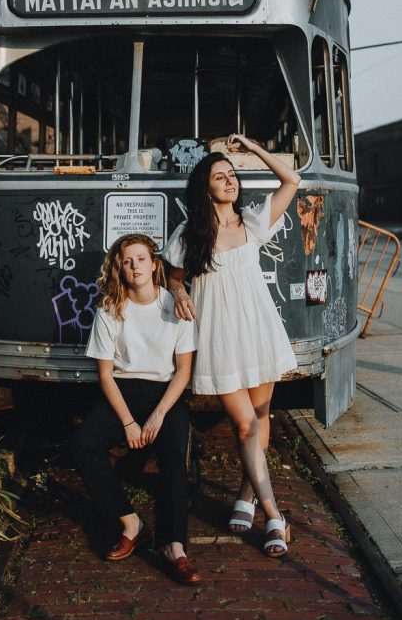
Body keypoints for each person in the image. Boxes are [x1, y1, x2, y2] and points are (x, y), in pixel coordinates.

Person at [162, 134, 301, 557]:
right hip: (220, 338)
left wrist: (255, 150)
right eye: (219, 177)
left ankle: (247, 494)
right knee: (245, 426)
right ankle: (275, 516)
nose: (229, 181)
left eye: (232, 175)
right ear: (205, 187)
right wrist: (179, 292)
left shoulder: (253, 221)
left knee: (260, 416)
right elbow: (173, 276)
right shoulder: (190, 234)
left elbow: (291, 181)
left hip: (258, 330)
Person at [69, 233, 201, 584]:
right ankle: (130, 522)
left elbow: (184, 371)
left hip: (165, 393)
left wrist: (158, 415)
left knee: (174, 450)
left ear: (154, 264)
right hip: (124, 393)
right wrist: (128, 423)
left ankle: (174, 545)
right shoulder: (110, 309)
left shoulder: (174, 306)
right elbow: (106, 375)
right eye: (127, 261)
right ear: (120, 269)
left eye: (141, 259)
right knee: (83, 444)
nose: (134, 266)